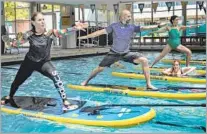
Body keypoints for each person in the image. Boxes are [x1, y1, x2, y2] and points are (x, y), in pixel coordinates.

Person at [1, 12, 88, 110]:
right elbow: (17, 44)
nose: (42, 21)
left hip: (44, 63)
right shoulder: (28, 34)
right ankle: (10, 96)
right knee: (17, 82)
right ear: (33, 22)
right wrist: (9, 43)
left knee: (56, 77)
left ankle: (65, 101)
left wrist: (76, 28)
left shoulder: (50, 33)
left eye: (43, 19)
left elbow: (63, 31)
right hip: (29, 62)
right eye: (39, 20)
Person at [78, 10, 165, 90]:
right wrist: (85, 37)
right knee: (99, 69)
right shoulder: (114, 26)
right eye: (128, 16)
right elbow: (99, 32)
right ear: (123, 16)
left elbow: (144, 28)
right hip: (114, 53)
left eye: (130, 16)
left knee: (144, 60)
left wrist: (157, 26)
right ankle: (86, 81)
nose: (130, 18)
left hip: (126, 53)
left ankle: (148, 84)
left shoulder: (131, 27)